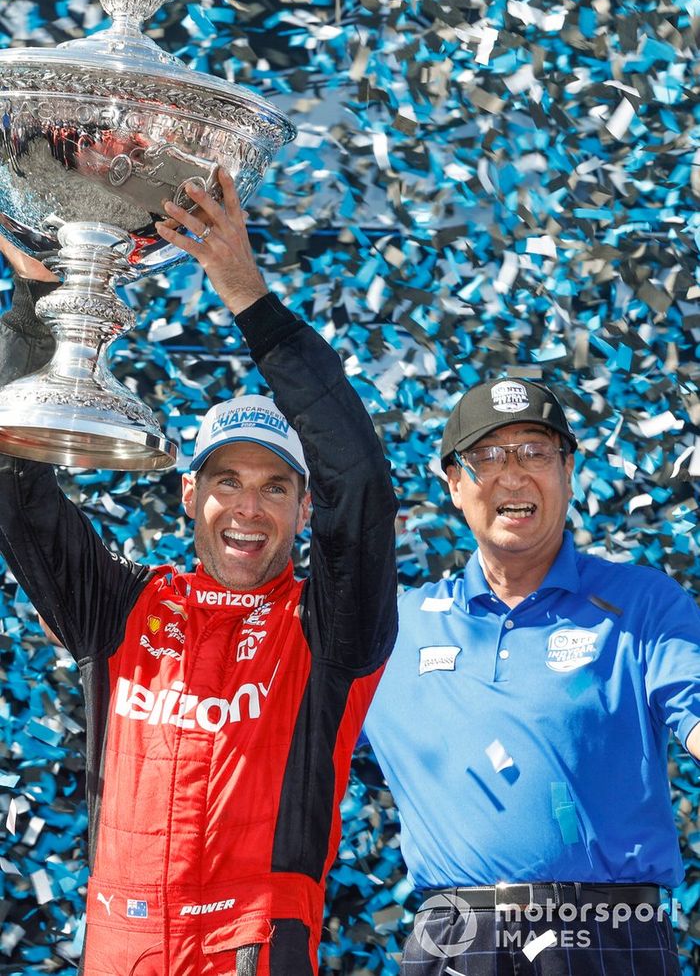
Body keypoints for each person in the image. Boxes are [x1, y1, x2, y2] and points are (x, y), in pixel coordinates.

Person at [0, 169, 398, 976]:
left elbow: (359, 481)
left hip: (252, 945)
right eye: (227, 481)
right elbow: (12, 482)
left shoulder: (329, 629)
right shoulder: (117, 605)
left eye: (274, 487)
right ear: (190, 494)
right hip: (120, 944)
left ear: (302, 507)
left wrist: (248, 295)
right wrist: (34, 314)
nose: (248, 509)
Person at [365, 376, 700, 976]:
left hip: (611, 934)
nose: (512, 474)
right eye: (487, 456)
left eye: (536, 452)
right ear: (453, 484)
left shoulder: (643, 604)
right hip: (455, 939)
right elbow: (293, 747)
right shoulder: (396, 629)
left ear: (569, 473)